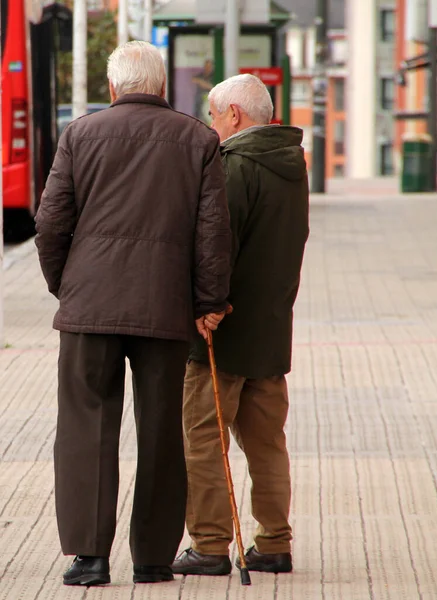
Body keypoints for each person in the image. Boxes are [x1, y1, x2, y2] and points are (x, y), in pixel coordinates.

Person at [34, 41, 231, 587]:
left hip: (89, 304)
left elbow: (50, 224)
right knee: (162, 430)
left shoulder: (80, 134)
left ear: (114, 88)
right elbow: (214, 234)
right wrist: (209, 302)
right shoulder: (199, 139)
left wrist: (66, 287)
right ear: (162, 87)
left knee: (85, 427)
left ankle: (90, 557)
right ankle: (152, 558)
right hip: (165, 305)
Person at [171, 74, 309, 577]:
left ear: (234, 114)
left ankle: (209, 545)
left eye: (213, 114)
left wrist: (206, 305)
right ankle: (274, 541)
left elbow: (216, 245)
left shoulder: (236, 165)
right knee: (268, 442)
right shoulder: (291, 164)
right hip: (271, 329)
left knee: (205, 438)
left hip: (223, 332)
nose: (212, 125)